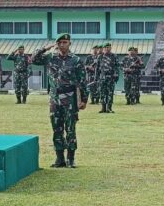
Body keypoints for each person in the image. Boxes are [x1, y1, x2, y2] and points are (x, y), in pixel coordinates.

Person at [32, 33, 87, 168]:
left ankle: (71, 159)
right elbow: (33, 59)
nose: (62, 45)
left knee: (70, 128)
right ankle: (59, 158)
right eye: (60, 42)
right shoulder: (50, 58)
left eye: (65, 42)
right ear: (57, 44)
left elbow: (82, 81)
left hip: (69, 98)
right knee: (56, 128)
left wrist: (84, 99)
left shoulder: (76, 60)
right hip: (54, 99)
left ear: (70, 44)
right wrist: (46, 48)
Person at [97, 42, 119, 113]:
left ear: (110, 48)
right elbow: (97, 68)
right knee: (102, 93)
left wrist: (116, 76)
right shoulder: (100, 57)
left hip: (111, 77)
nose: (107, 49)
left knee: (110, 93)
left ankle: (109, 108)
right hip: (102, 77)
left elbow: (116, 67)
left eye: (108, 47)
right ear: (103, 49)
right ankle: (103, 108)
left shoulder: (114, 56)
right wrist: (96, 78)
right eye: (105, 47)